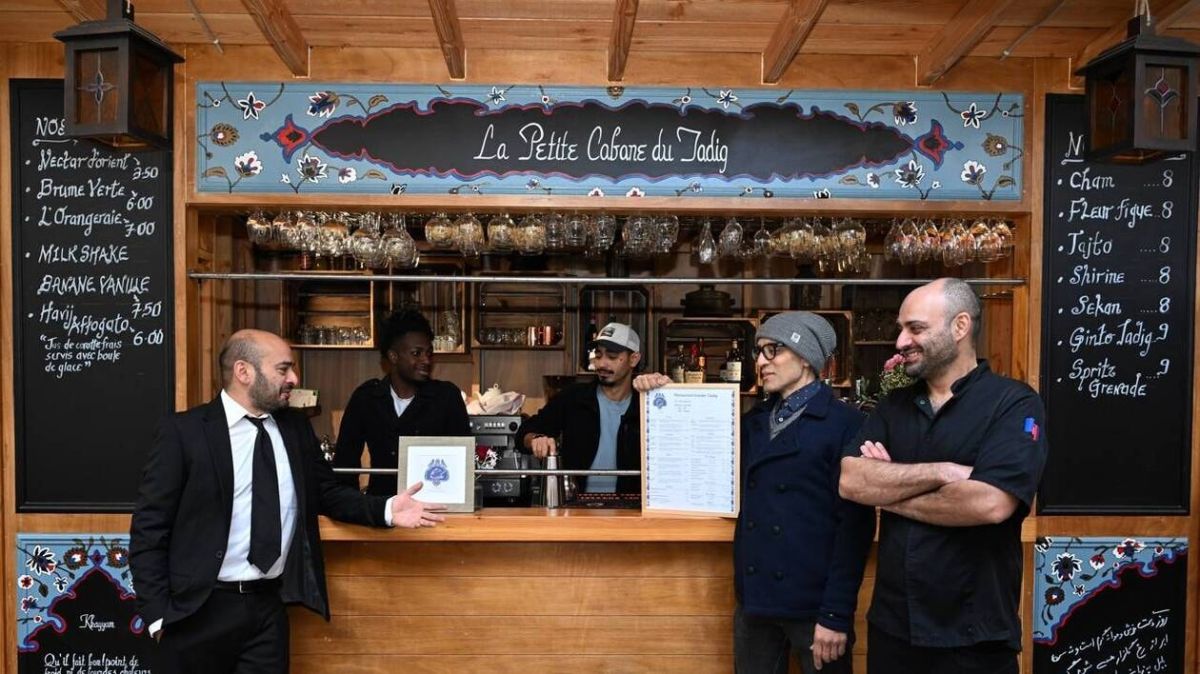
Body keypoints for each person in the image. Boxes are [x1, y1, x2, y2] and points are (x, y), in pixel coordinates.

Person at [129, 329, 447, 674]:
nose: (294, 378)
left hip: (268, 609)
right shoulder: (185, 432)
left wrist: (385, 508)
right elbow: (149, 529)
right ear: (243, 371)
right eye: (283, 369)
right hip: (196, 612)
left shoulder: (294, 428)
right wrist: (159, 617)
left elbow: (326, 492)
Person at [635, 312, 874, 673]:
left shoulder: (847, 425)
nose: (760, 362)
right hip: (755, 602)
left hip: (815, 608)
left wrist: (836, 614)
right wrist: (661, 395)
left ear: (806, 356)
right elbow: (692, 450)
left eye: (773, 351)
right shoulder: (754, 421)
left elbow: (855, 528)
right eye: (759, 352)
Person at [838, 278, 1049, 674]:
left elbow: (989, 503)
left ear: (960, 326)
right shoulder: (894, 405)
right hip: (893, 629)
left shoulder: (1014, 403)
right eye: (901, 328)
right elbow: (851, 480)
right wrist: (945, 472)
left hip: (974, 634)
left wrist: (886, 489)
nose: (900, 342)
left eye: (915, 328)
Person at [334, 309, 470, 496]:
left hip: (432, 511)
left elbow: (462, 463)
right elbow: (345, 465)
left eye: (429, 353)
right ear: (393, 356)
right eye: (417, 353)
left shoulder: (446, 397)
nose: (426, 360)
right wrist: (351, 510)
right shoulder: (367, 398)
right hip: (381, 511)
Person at [516, 321, 642, 494]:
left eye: (612, 357)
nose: (602, 364)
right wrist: (536, 439)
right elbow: (524, 434)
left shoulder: (644, 405)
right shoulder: (574, 398)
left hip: (631, 510)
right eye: (598, 355)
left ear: (634, 359)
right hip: (578, 508)